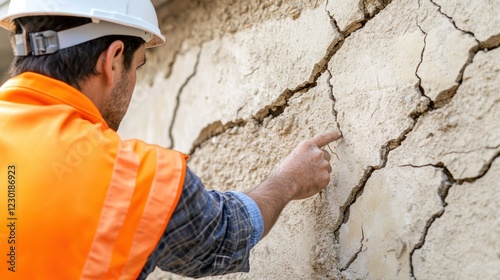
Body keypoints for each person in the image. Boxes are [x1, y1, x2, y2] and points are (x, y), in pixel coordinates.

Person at [0, 0, 342, 279]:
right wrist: (288, 182)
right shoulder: (127, 175)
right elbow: (222, 236)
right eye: (138, 66)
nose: (134, 80)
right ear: (113, 58)